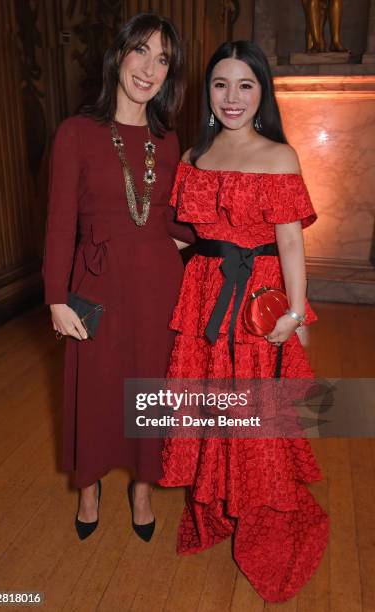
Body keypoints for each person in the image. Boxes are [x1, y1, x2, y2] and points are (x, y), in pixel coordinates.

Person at [158, 41, 329, 602]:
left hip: (257, 301)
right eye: (220, 84)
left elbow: (291, 246)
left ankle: (266, 518)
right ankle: (219, 507)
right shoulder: (193, 159)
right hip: (205, 297)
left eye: (245, 85)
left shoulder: (280, 157)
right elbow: (187, 238)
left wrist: (296, 313)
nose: (232, 98)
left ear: (263, 93)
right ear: (207, 93)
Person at [42, 13, 194, 542]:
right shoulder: (76, 133)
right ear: (119, 55)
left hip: (158, 287)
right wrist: (56, 298)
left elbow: (174, 221)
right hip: (96, 285)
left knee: (148, 390)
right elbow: (61, 222)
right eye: (142, 52)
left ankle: (143, 487)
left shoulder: (168, 140)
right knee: (96, 390)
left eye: (164, 59)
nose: (150, 68)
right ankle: (89, 485)